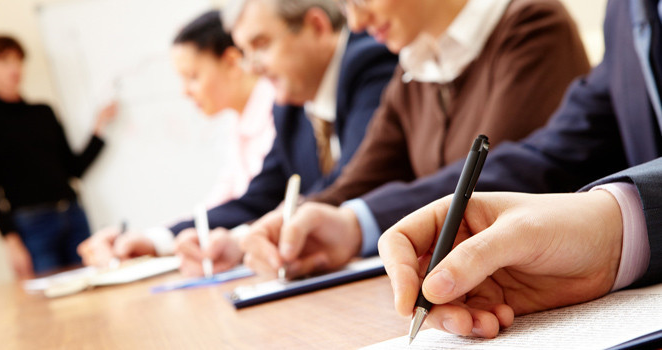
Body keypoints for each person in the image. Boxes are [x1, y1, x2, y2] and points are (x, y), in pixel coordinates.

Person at [296, 0, 662, 338]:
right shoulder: (624, 8)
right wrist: (340, 220)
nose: (355, 22)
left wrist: (618, 226)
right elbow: (559, 147)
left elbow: (525, 173)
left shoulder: (532, 25)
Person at [235, 0, 591, 278]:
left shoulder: (532, 26)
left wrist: (355, 224)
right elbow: (360, 179)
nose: (355, 22)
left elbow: (492, 183)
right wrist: (285, 224)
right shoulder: (415, 66)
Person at [77, 0, 398, 273]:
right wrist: (158, 239)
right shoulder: (290, 107)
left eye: (261, 45)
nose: (252, 67)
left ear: (316, 26)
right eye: (246, 51)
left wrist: (245, 237)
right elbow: (258, 198)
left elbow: (354, 179)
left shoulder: (370, 61)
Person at [0, 35, 116, 278]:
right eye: (5, 60)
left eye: (18, 60)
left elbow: (74, 169)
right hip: (32, 225)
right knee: (50, 300)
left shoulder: (43, 112)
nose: (14, 68)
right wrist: (11, 241)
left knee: (94, 285)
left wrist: (99, 128)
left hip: (73, 215)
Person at [172, 10, 276, 208]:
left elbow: (257, 202)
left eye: (192, 77)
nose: (184, 92)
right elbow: (225, 194)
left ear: (231, 62)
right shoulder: (237, 122)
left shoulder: (278, 111)